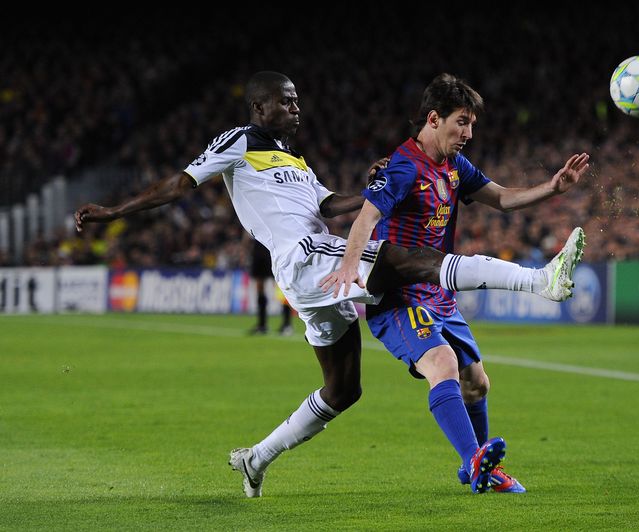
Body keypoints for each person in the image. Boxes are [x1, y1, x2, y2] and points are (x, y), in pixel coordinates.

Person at [75, 71, 585, 498]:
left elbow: (327, 205)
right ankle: (538, 281)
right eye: (285, 101)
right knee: (403, 261)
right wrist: (115, 211)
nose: (296, 108)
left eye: (297, 101)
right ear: (259, 105)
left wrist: (369, 184)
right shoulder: (239, 141)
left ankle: (257, 458)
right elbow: (182, 182)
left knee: (344, 389)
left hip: (313, 274)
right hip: (305, 259)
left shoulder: (294, 160)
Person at [322, 73, 590, 493]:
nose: (468, 133)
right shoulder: (404, 166)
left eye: (471, 125)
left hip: (440, 295)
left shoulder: (453, 166)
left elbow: (500, 197)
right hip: (399, 296)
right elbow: (367, 216)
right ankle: (476, 464)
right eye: (461, 122)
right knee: (442, 364)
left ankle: (477, 467)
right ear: (433, 119)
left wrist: (553, 189)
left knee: (477, 382)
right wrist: (348, 266)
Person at [248, 238, 293, 336]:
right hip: (259, 245)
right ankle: (262, 325)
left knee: (280, 286)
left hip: (272, 245)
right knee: (259, 287)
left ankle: (287, 324)